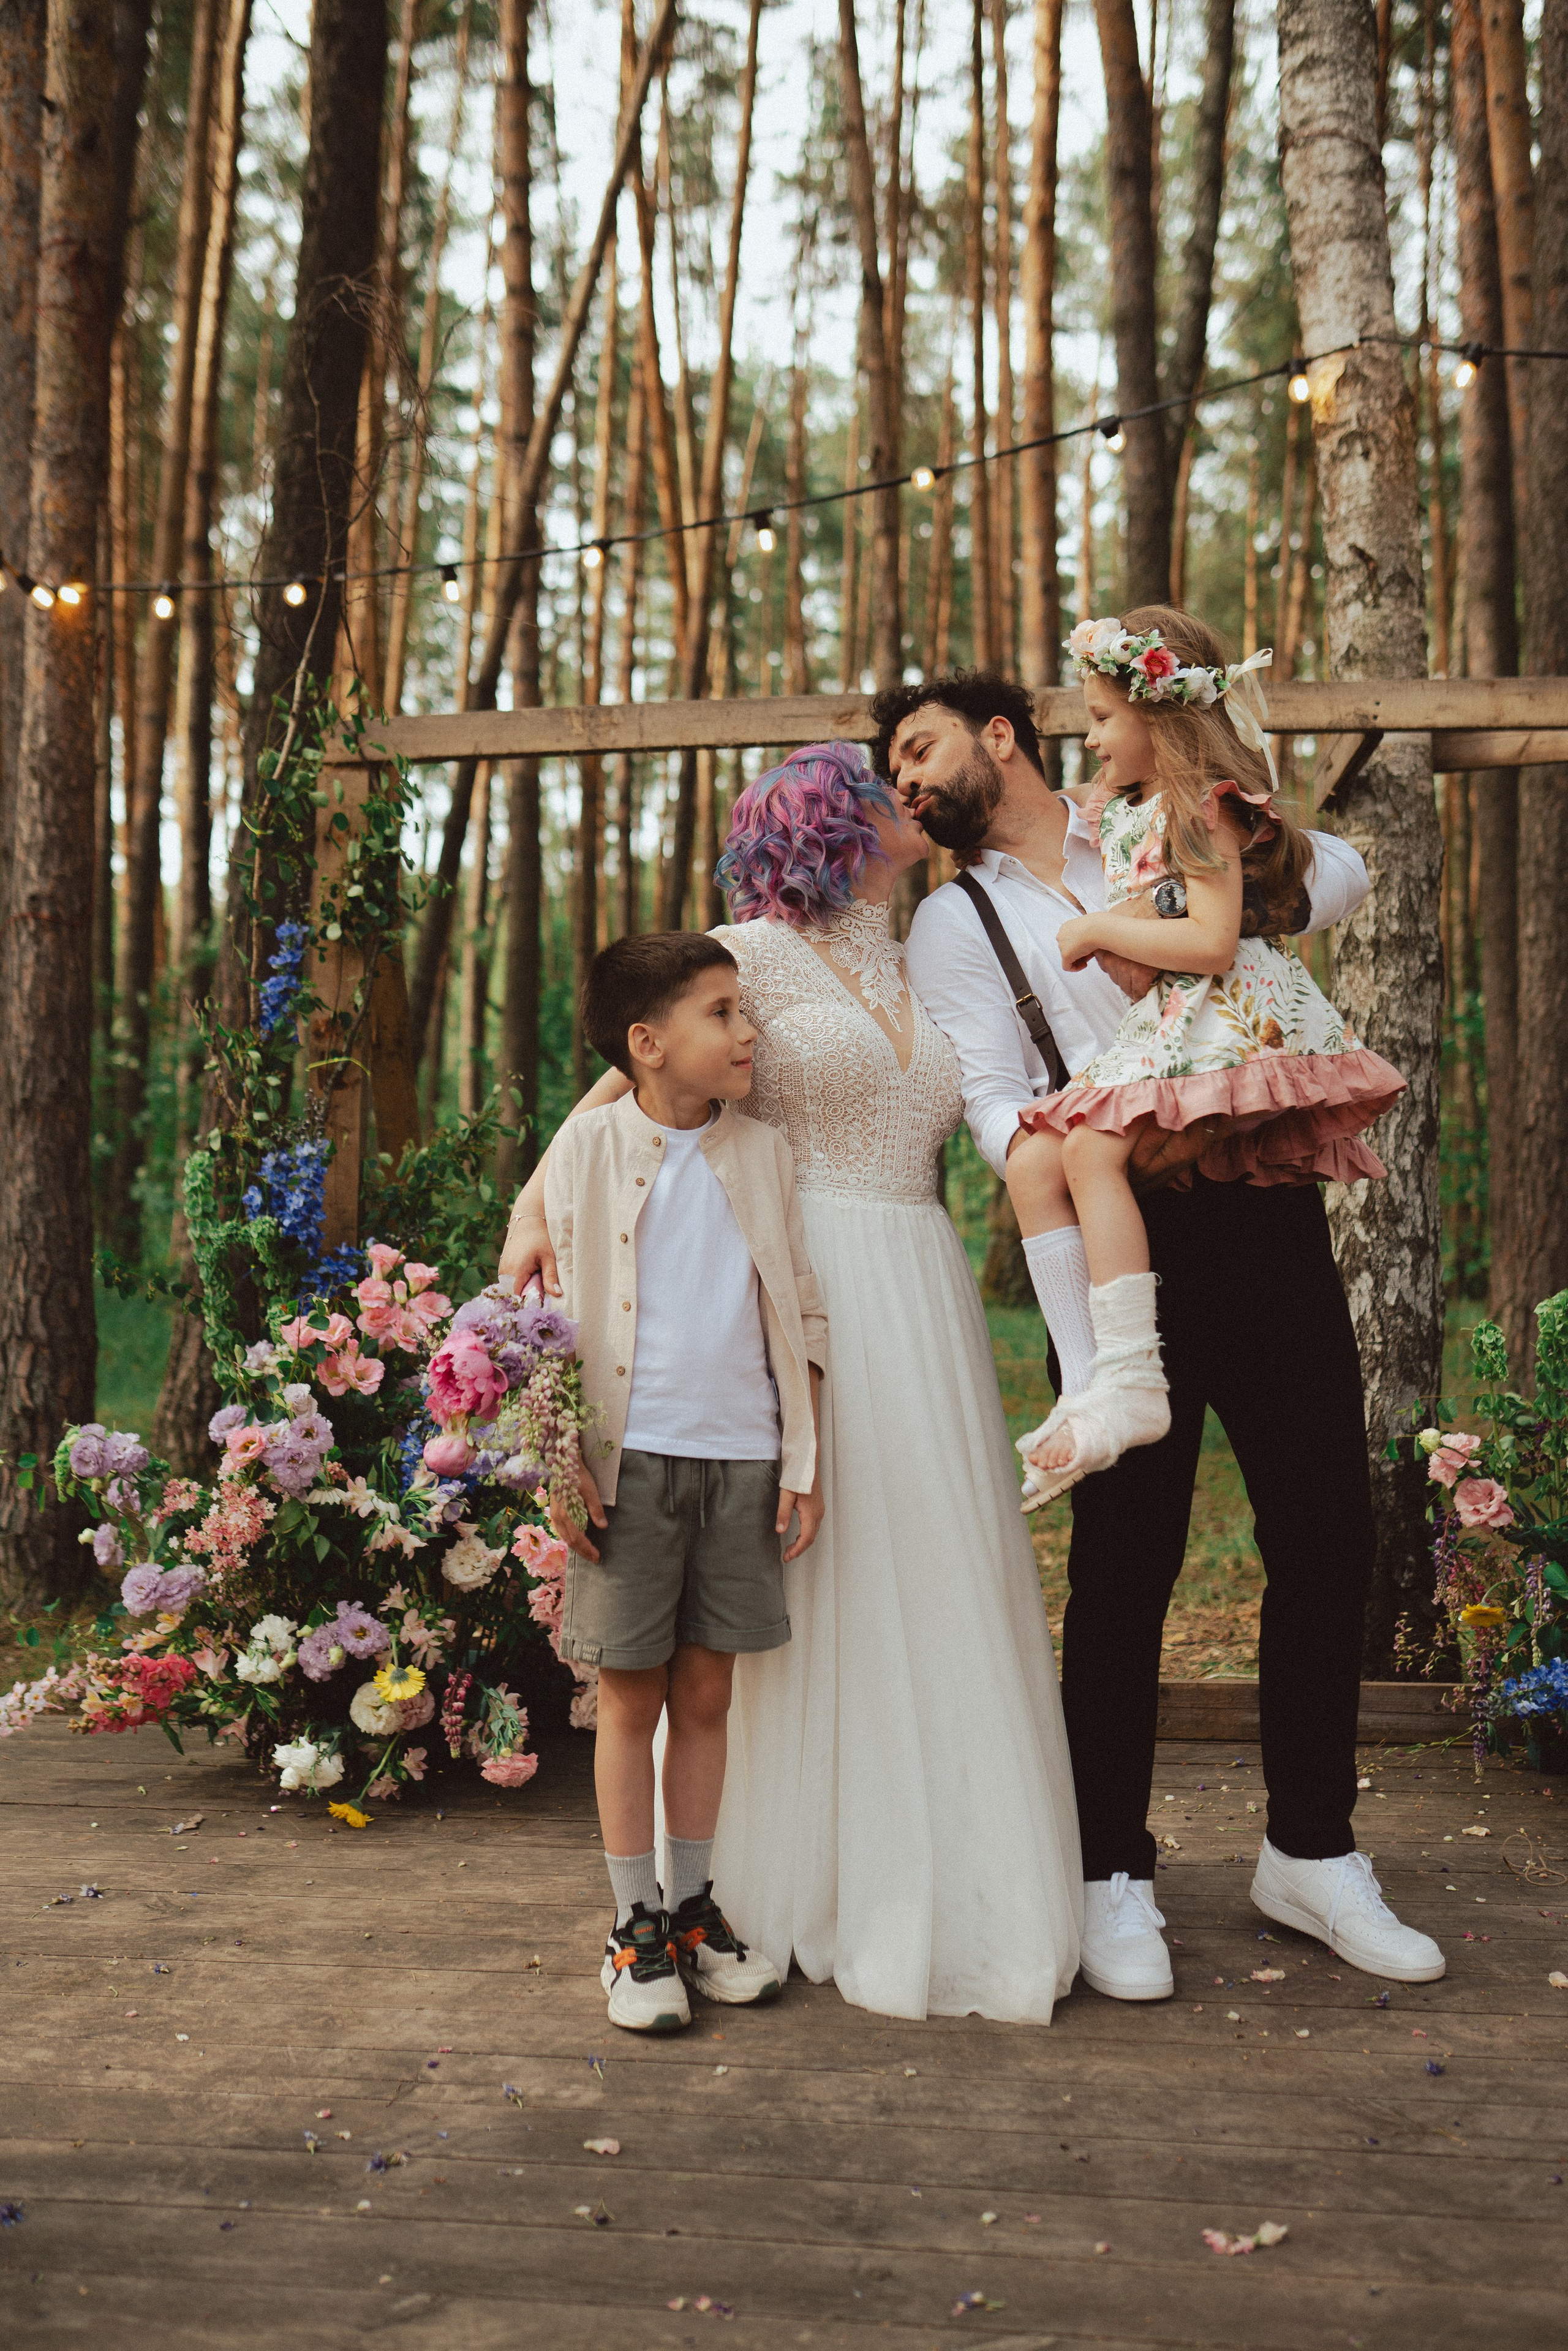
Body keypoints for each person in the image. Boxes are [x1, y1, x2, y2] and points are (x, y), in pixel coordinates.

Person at [891, 641, 1446, 2001]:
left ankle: (1309, 1850)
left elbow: (1340, 881)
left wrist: (1232, 822)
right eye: (893, 768)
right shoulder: (951, 925)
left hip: (1258, 1211)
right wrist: (1122, 1136)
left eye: (920, 748)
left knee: (1324, 1530)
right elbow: (988, 1108)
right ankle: (1108, 1874)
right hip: (1118, 1238)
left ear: (1004, 736)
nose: (905, 780)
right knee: (1125, 1563)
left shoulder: (1157, 796)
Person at [504, 745, 1082, 2026]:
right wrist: (529, 1214)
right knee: (780, 1602)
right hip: (788, 1271)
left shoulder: (934, 937)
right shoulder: (742, 956)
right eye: (885, 791)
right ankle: (720, 1890)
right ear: (832, 821)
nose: (911, 801)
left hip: (917, 1281)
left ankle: (944, 1858)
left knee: (923, 1561)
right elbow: (619, 1087)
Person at [1003, 611, 1406, 1509]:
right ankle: (1094, 1378)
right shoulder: (1133, 812)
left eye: (1106, 716)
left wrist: (1099, 928)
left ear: (1164, 717)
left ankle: (1135, 1377)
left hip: (1227, 1017)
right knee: (1037, 1157)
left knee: (1087, 1150)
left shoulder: (1202, 801)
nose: (1092, 736)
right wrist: (1128, 943)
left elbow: (1217, 939)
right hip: (1172, 1012)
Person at [542, 930, 827, 2032]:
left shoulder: (763, 1152)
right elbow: (557, 1325)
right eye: (722, 1012)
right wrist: (562, 1458)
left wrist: (799, 1458)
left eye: (743, 1008)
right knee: (631, 1695)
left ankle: (697, 1911)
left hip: (743, 1457)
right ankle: (633, 1928)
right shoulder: (590, 1149)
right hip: (633, 1466)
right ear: (646, 1043)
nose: (747, 1029)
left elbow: (796, 1306)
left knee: (708, 1693)